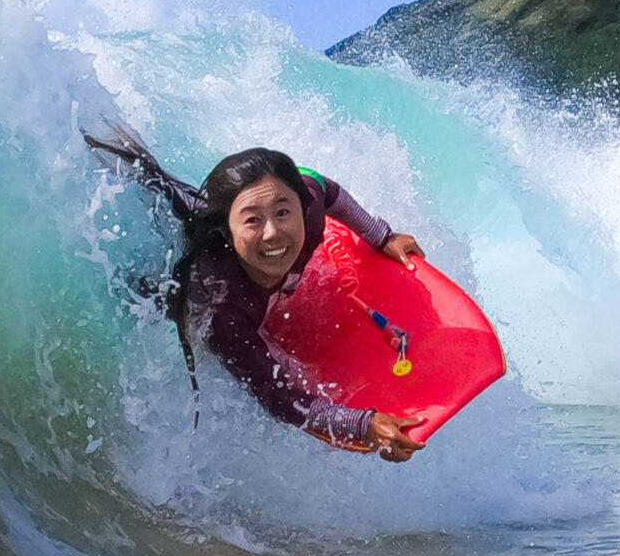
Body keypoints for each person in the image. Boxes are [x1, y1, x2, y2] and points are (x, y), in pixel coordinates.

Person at [85, 122, 428, 461]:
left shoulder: (308, 211)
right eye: (252, 221)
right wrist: (362, 423)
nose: (273, 234)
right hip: (178, 273)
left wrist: (382, 235)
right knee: (148, 286)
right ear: (228, 230)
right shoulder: (222, 306)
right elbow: (278, 398)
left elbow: (323, 185)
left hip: (228, 219)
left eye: (283, 212)